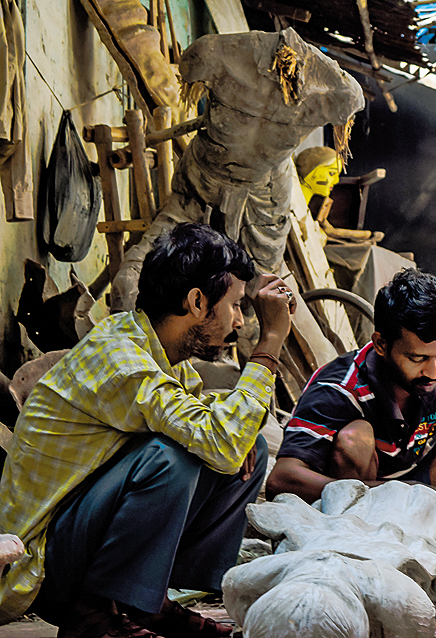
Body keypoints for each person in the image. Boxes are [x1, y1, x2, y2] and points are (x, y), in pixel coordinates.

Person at [0, 223, 295, 638]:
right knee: (172, 456)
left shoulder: (156, 351)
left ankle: (145, 603)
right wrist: (272, 340)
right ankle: (93, 613)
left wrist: (233, 433)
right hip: (42, 562)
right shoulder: (122, 358)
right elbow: (219, 442)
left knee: (249, 449)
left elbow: (216, 430)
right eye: (234, 306)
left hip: (75, 542)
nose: (240, 322)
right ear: (196, 301)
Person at [266, 268, 436, 534]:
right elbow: (281, 479)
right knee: (356, 438)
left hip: (415, 487)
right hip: (357, 509)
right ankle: (359, 548)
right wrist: (390, 492)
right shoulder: (339, 388)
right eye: (417, 359)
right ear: (381, 345)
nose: (434, 372)